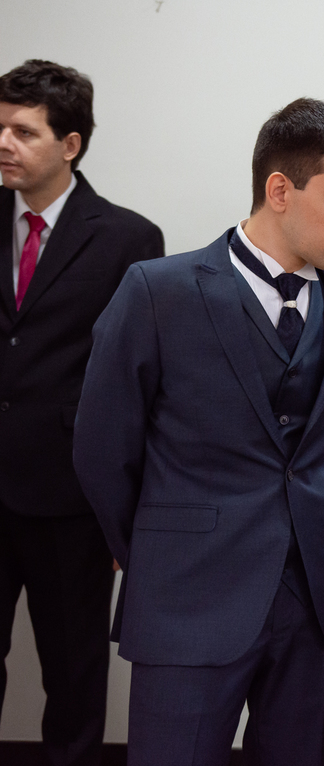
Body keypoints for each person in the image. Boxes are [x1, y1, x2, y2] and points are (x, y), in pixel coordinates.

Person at [72, 98, 324, 766]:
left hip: (320, 598)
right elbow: (103, 447)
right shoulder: (157, 291)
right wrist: (156, 547)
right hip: (188, 595)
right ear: (280, 189)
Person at [0, 59, 163, 766]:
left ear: (70, 144)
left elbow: (139, 384)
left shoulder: (130, 241)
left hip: (70, 496)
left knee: (73, 669)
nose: (4, 142)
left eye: (23, 131)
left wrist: (129, 509)